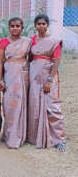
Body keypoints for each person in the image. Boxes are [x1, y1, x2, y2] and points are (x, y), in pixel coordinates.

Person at [27, 14, 65, 151]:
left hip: (49, 74)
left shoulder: (54, 41)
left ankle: (58, 139)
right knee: (35, 104)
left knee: (52, 106)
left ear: (47, 25)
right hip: (34, 76)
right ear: (35, 26)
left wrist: (50, 80)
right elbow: (30, 57)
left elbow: (56, 62)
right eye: (38, 24)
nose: (41, 26)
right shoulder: (32, 40)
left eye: (43, 24)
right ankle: (36, 136)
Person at [0, 17, 31, 149]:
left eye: (18, 26)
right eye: (12, 26)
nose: (15, 28)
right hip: (8, 73)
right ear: (9, 27)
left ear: (22, 28)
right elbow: (0, 61)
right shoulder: (3, 42)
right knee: (9, 104)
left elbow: (31, 58)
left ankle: (20, 134)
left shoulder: (27, 42)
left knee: (21, 103)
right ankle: (9, 134)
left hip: (23, 74)